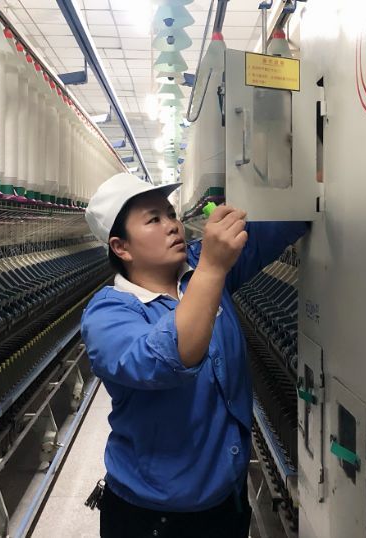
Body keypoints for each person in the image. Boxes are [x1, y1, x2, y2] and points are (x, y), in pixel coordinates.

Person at [81, 173, 307, 538]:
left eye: (171, 214)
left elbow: (278, 225)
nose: (172, 225)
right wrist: (213, 268)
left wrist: (315, 176)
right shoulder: (107, 316)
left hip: (227, 501)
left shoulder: (196, 269)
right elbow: (168, 359)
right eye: (154, 219)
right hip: (154, 518)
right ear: (121, 247)